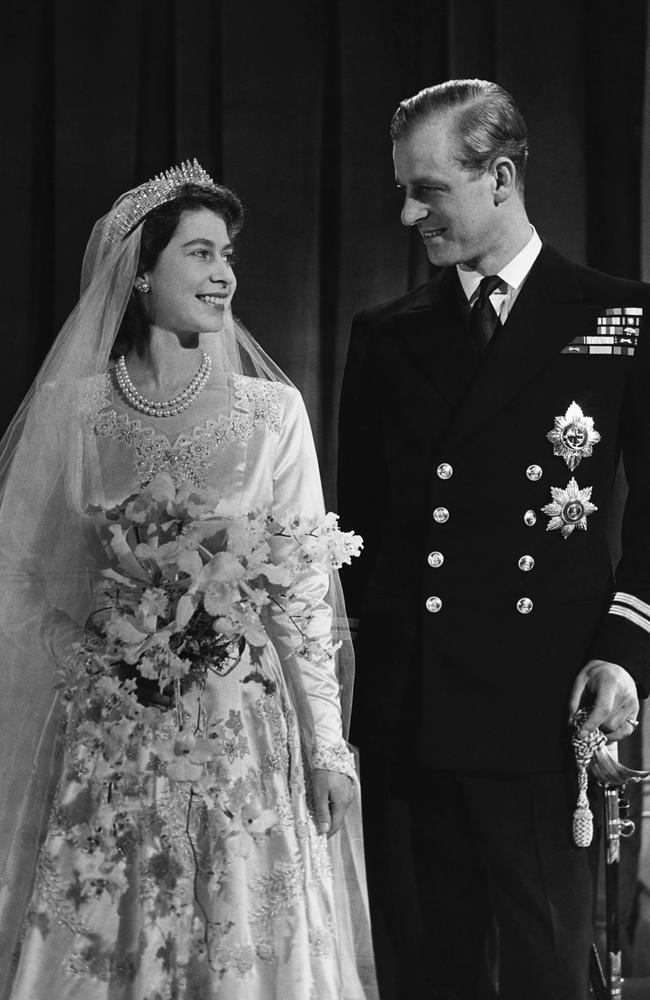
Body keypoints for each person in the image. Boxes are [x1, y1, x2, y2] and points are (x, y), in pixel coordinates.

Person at [0, 161, 377, 999]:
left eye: (228, 254)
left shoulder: (272, 415)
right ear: (140, 272)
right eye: (200, 254)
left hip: (240, 732)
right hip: (113, 737)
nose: (225, 275)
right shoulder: (74, 412)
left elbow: (304, 596)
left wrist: (328, 748)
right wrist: (82, 654)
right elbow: (17, 572)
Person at [338, 79, 650, 1000]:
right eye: (403, 188)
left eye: (427, 189)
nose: (406, 212)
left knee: (552, 970)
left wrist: (626, 650)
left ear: (502, 176)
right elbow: (358, 539)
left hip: (544, 708)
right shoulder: (386, 336)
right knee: (429, 972)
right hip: (414, 714)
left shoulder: (618, 317)